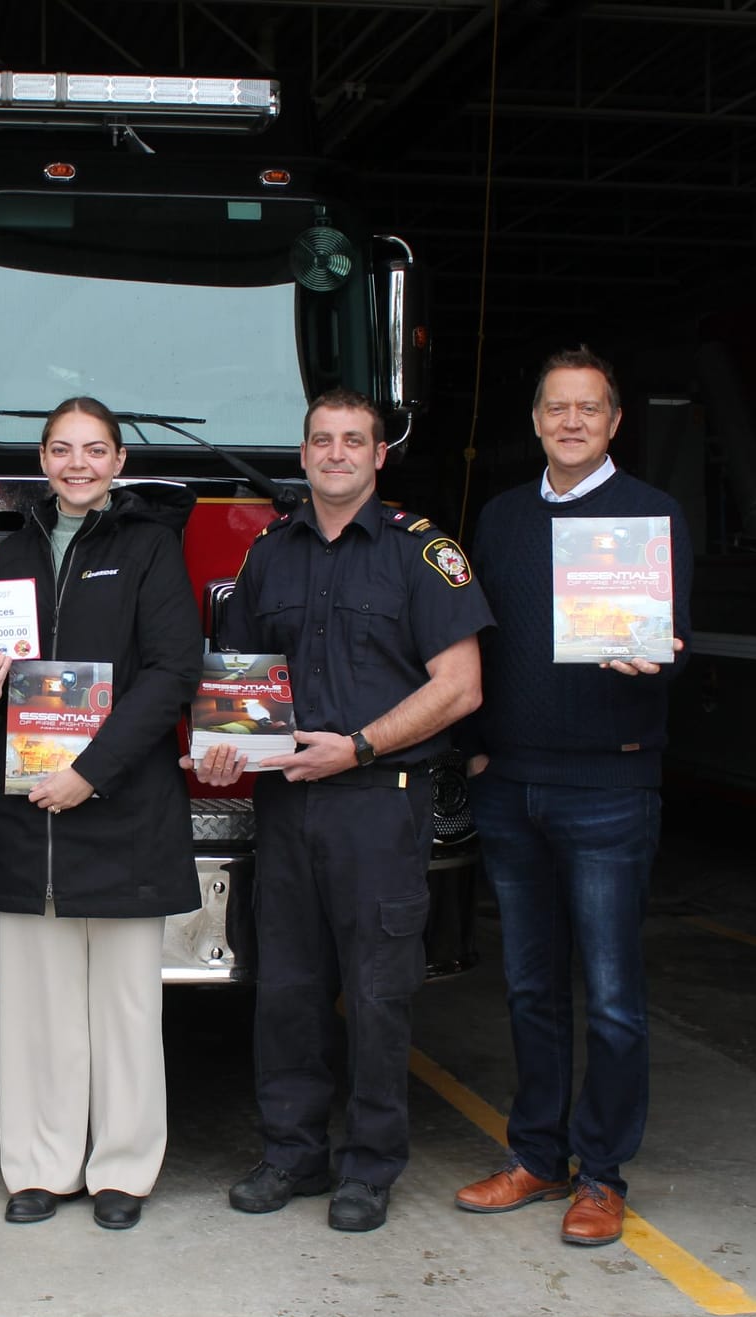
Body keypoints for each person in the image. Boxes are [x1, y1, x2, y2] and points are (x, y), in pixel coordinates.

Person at [195, 387, 492, 1233]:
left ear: (378, 455)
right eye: (321, 441)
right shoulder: (270, 555)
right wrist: (224, 745)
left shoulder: (419, 553)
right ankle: (291, 1154)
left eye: (352, 440)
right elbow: (238, 684)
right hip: (286, 807)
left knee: (376, 995)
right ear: (302, 454)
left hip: (378, 801)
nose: (336, 454)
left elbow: (461, 687)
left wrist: (357, 746)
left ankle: (369, 1167)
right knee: (284, 989)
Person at [452, 347, 690, 1246]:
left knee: (615, 998)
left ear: (615, 421)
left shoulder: (652, 516)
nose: (572, 422)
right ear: (539, 421)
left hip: (607, 788)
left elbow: (678, 638)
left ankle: (604, 1174)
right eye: (558, 408)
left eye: (590, 409)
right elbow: (479, 641)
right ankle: (538, 1159)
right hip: (511, 787)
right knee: (531, 991)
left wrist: (662, 652)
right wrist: (475, 751)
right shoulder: (504, 518)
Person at [0, 398, 201, 1231]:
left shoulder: (149, 548)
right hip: (33, 815)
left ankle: (124, 1173)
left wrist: (90, 773)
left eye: (94, 451)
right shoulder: (14, 550)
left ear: (119, 464)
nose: (77, 465)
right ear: (41, 459)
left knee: (128, 1010)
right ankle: (39, 1167)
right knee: (36, 1008)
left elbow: (172, 673)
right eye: (62, 450)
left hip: (122, 809)